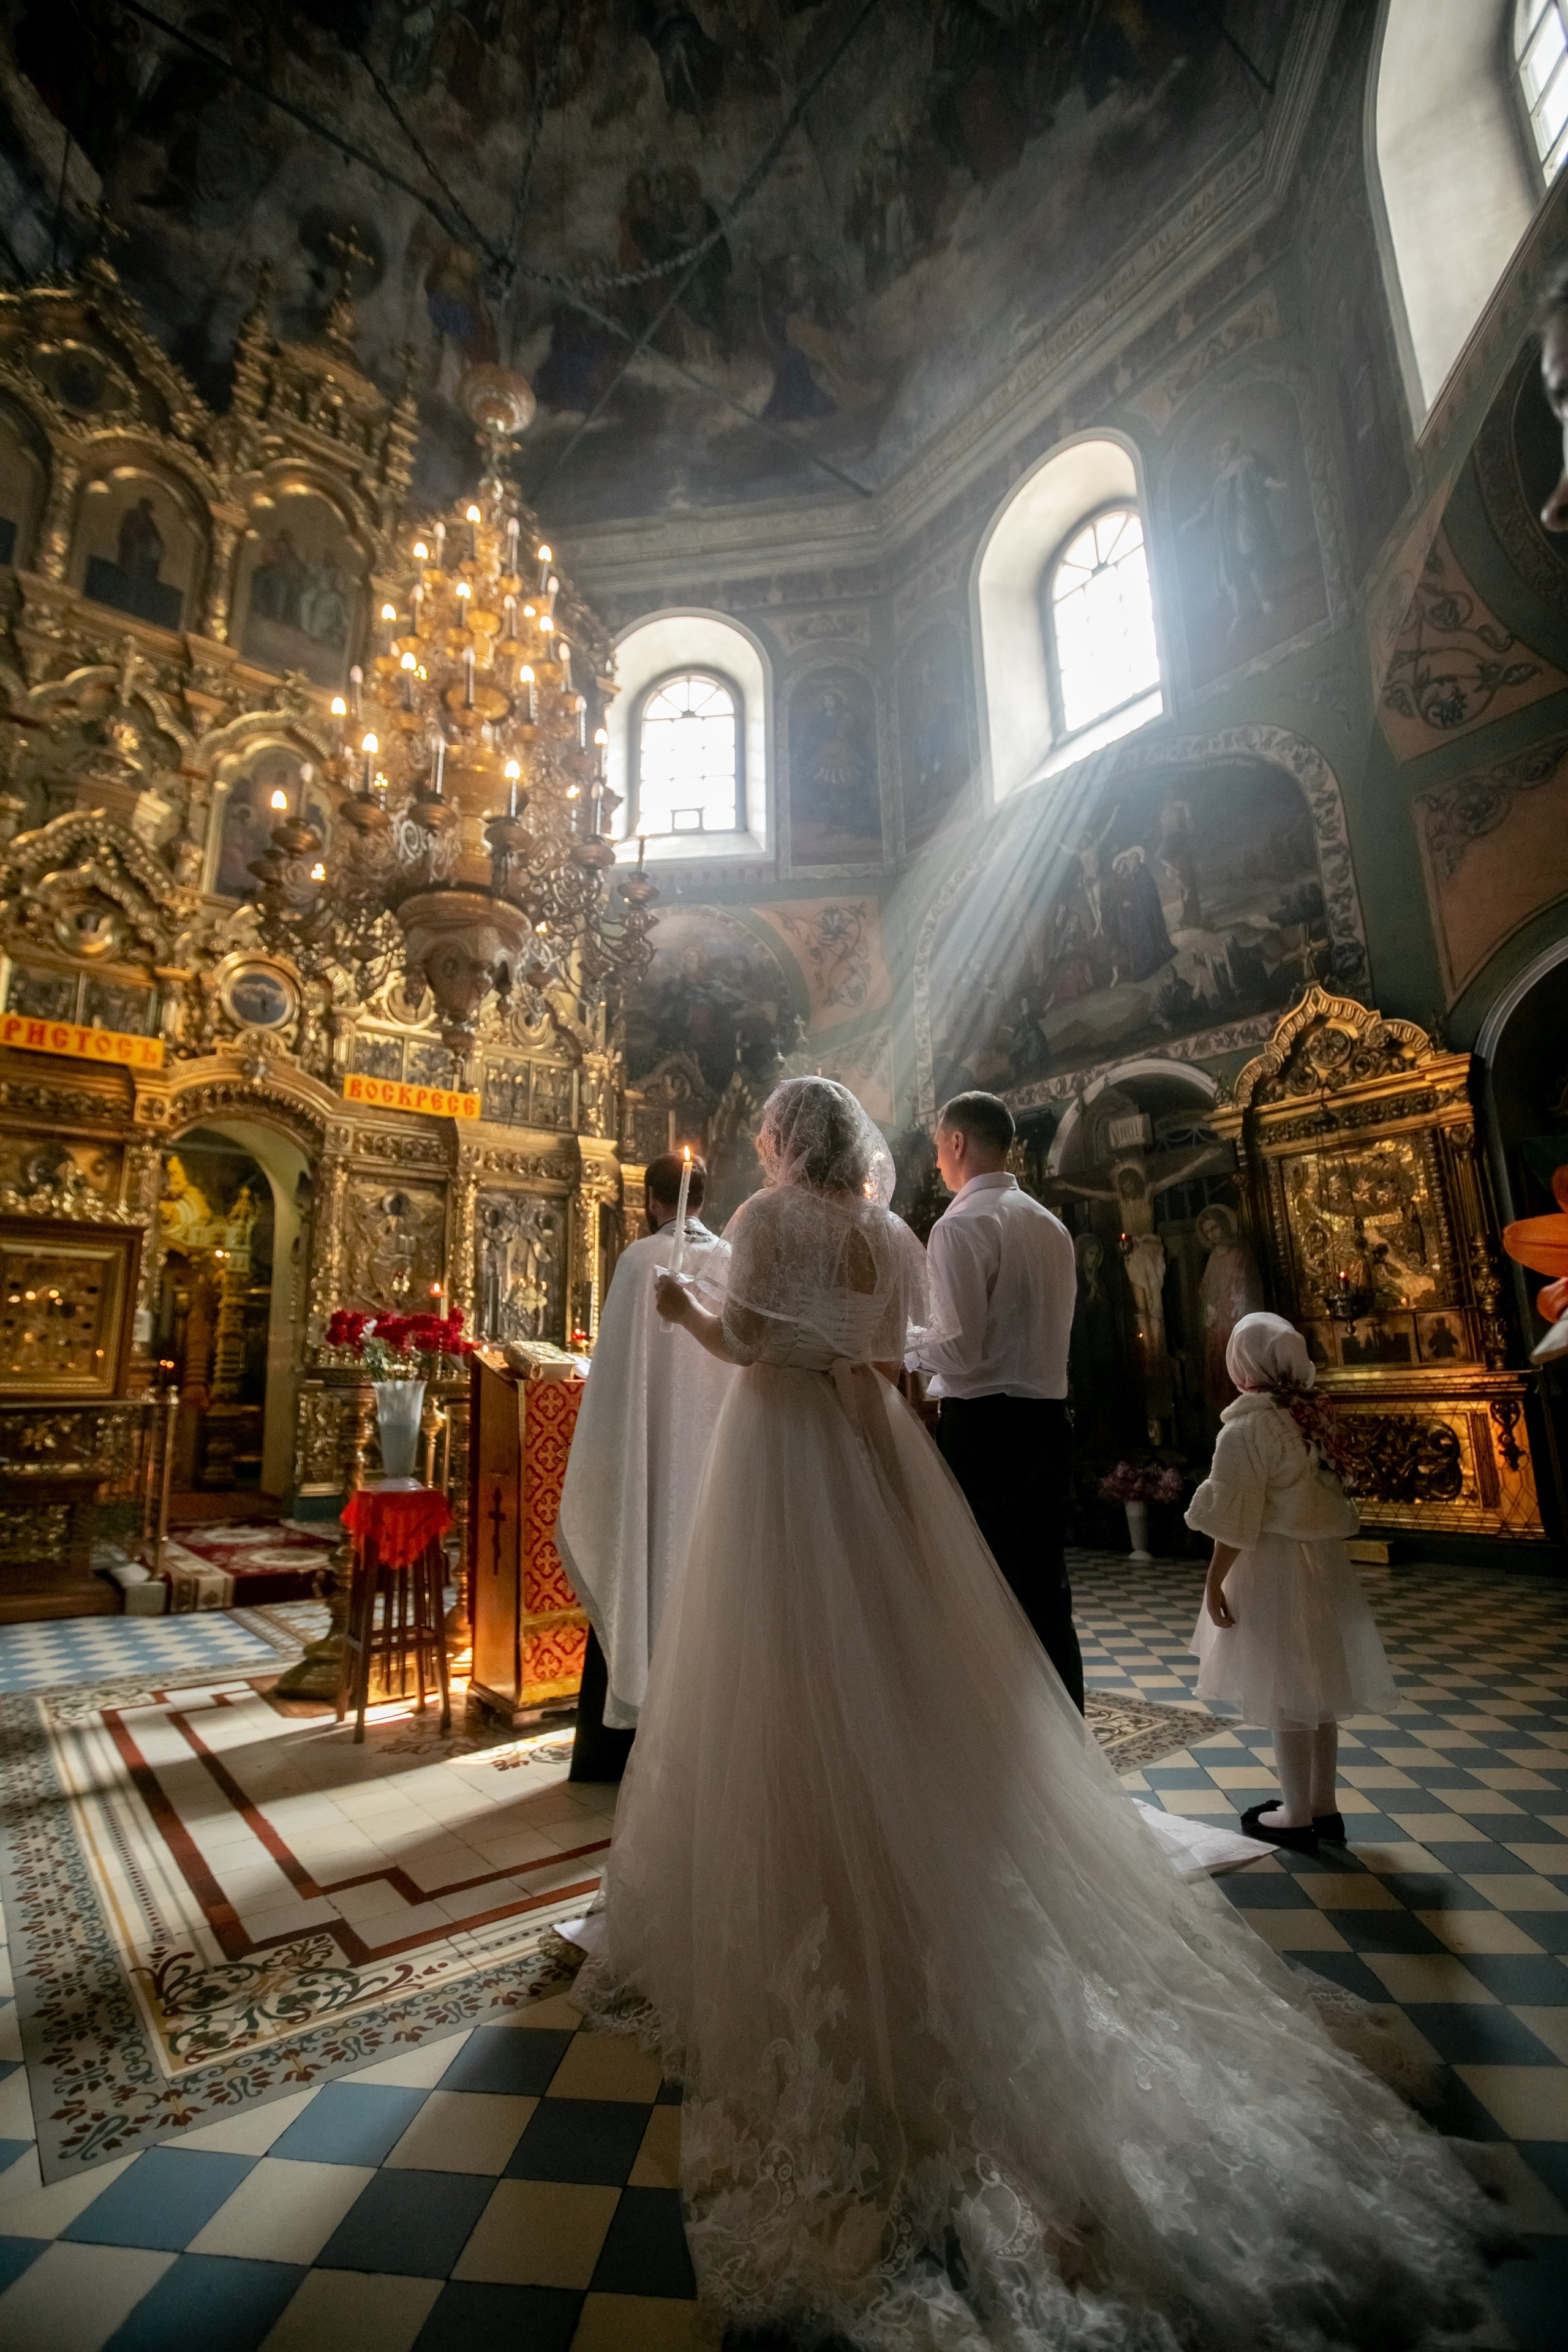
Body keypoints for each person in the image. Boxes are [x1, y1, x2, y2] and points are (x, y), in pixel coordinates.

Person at [578, 1077, 1490, 2349]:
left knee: (775, 1654)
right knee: (896, 1659)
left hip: (781, 1456)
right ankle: (916, 1834)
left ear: (784, 1145)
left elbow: (745, 1342)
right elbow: (892, 1360)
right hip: (874, 1455)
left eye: (771, 1137)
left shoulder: (768, 1220)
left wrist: (681, 1308)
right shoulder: (893, 1233)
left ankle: (801, 1852)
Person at [1188, 1311, 1398, 1856]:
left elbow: (1235, 1518)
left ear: (1244, 1363)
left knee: (1286, 1691)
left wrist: (1214, 1581)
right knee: (1318, 1691)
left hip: (1273, 1567)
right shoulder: (1310, 1418)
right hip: (1322, 1566)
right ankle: (1324, 1806)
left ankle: (1295, 1814)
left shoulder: (1247, 1429)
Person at [556, 1152, 733, 1782]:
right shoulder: (730, 1260)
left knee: (644, 1559)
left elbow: (614, 1384)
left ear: (653, 1200)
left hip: (649, 1461)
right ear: (702, 1199)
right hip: (718, 1459)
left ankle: (628, 1745)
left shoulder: (637, 1261)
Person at [910, 1090, 1084, 1709]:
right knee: (1045, 1593)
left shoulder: (960, 1225)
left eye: (938, 1147)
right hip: (1049, 1425)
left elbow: (957, 1352)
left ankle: (1005, 1739)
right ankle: (1064, 1735)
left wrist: (898, 1343)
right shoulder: (1049, 1224)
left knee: (983, 1593)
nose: (937, 1161)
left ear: (958, 1142)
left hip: (986, 1432)